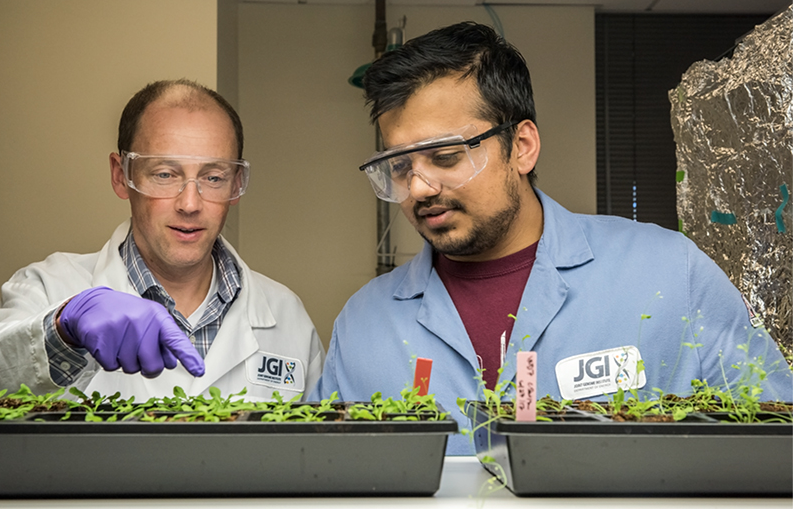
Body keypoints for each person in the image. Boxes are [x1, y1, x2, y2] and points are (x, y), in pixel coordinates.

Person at [310, 22, 793, 455]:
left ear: (520, 147)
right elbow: (326, 475)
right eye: (399, 166)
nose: (418, 188)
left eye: (445, 156)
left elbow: (776, 443)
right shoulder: (363, 324)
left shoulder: (668, 274)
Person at [0, 79, 324, 402]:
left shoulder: (287, 314)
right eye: (165, 175)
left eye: (213, 177)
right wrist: (62, 332)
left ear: (235, 184)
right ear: (121, 175)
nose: (190, 204)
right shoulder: (49, 288)